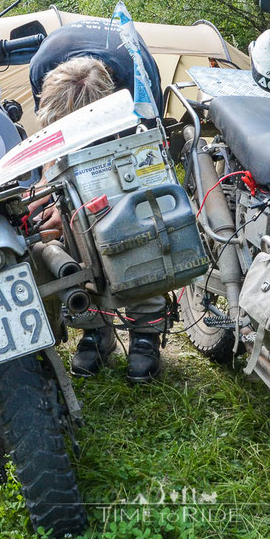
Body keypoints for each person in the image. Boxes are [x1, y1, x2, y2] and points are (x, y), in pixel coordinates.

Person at [27, 19, 166, 382]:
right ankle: (95, 328)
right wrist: (53, 193)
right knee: (65, 210)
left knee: (136, 215)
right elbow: (49, 140)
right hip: (64, 120)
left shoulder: (137, 76)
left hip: (126, 127)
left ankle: (146, 332)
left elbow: (149, 146)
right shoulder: (42, 68)